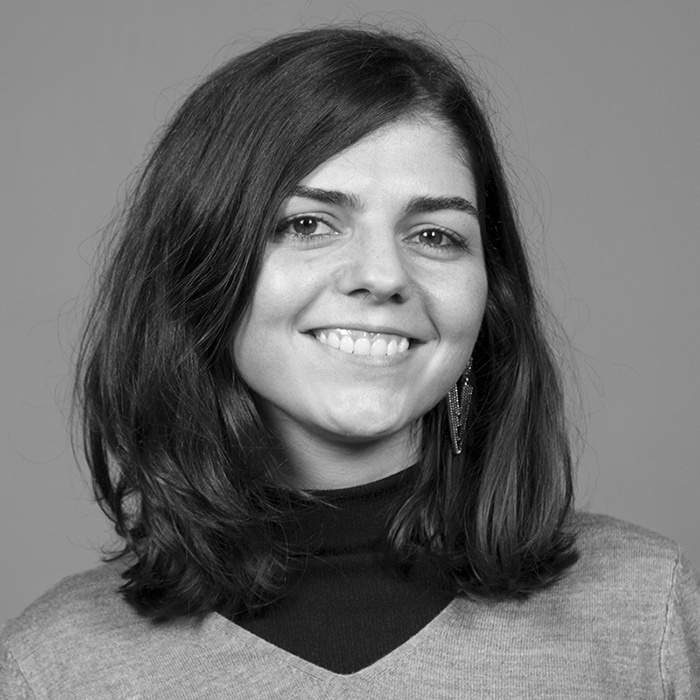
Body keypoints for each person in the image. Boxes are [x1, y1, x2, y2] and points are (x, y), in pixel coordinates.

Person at [1, 25, 698, 699]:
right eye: (308, 224)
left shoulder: (646, 611)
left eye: (434, 234)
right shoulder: (56, 667)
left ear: (492, 295)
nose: (383, 276)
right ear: (197, 272)